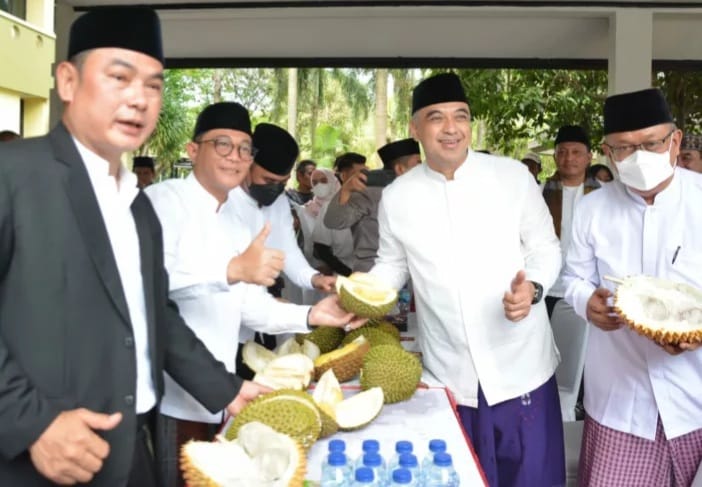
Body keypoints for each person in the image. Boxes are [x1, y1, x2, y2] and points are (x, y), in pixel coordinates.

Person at [0, 7, 267, 485]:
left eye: (153, 85)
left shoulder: (138, 206)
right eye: (119, 77)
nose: (139, 99)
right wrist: (31, 422)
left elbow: (154, 315)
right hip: (42, 460)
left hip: (130, 454)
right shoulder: (14, 175)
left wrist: (226, 390)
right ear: (67, 81)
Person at [145, 102, 361, 487]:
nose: (235, 157)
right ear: (193, 150)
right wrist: (231, 271)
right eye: (222, 145)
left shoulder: (233, 215)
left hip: (225, 384)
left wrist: (312, 316)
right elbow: (143, 288)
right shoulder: (163, 202)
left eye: (244, 149)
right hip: (175, 391)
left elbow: (248, 305)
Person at [370, 72, 564, 486]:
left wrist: (533, 289)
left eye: (461, 116)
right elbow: (391, 265)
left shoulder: (512, 177)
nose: (451, 128)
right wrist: (360, 295)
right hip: (449, 372)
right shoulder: (397, 196)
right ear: (415, 128)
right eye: (436, 117)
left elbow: (545, 248)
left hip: (521, 367)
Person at [563, 88, 702, 486]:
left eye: (651, 143)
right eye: (624, 148)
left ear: (674, 142)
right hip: (621, 408)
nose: (639, 157)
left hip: (695, 402)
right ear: (608, 153)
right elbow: (573, 278)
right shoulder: (592, 210)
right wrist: (584, 301)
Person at [324, 138, 421, 272]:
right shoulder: (369, 193)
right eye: (418, 163)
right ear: (400, 169)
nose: (423, 169)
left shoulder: (419, 195)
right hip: (373, 272)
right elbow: (334, 221)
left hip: (410, 274)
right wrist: (345, 189)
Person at [542, 125, 599, 317]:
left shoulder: (603, 195)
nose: (569, 158)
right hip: (546, 287)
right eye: (563, 152)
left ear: (589, 157)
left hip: (588, 290)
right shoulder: (539, 191)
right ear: (555, 157)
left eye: (576, 152)